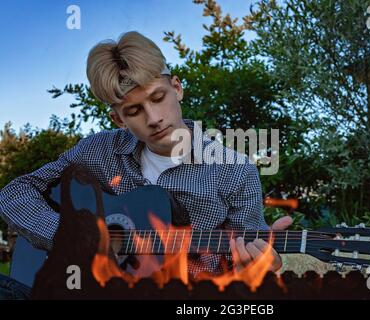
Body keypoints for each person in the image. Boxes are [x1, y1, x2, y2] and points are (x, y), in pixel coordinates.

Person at [0, 31, 291, 299]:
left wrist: (258, 268)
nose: (153, 118)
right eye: (135, 110)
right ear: (118, 120)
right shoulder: (99, 151)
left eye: (158, 97)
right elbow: (16, 193)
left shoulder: (235, 171)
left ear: (176, 88)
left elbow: (246, 268)